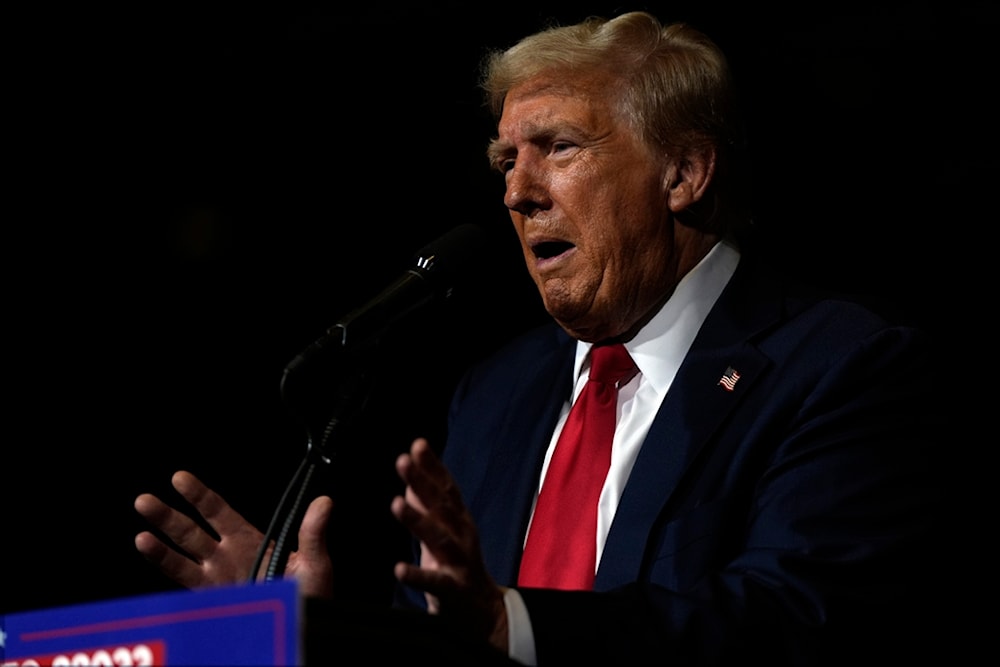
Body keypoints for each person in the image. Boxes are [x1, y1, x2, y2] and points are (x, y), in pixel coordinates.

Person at [134, 10, 948, 665]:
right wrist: (317, 637)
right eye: (504, 161)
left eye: (559, 147)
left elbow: (792, 621)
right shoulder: (495, 393)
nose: (518, 192)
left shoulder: (841, 366)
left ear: (683, 174)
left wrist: (509, 624)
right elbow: (443, 641)